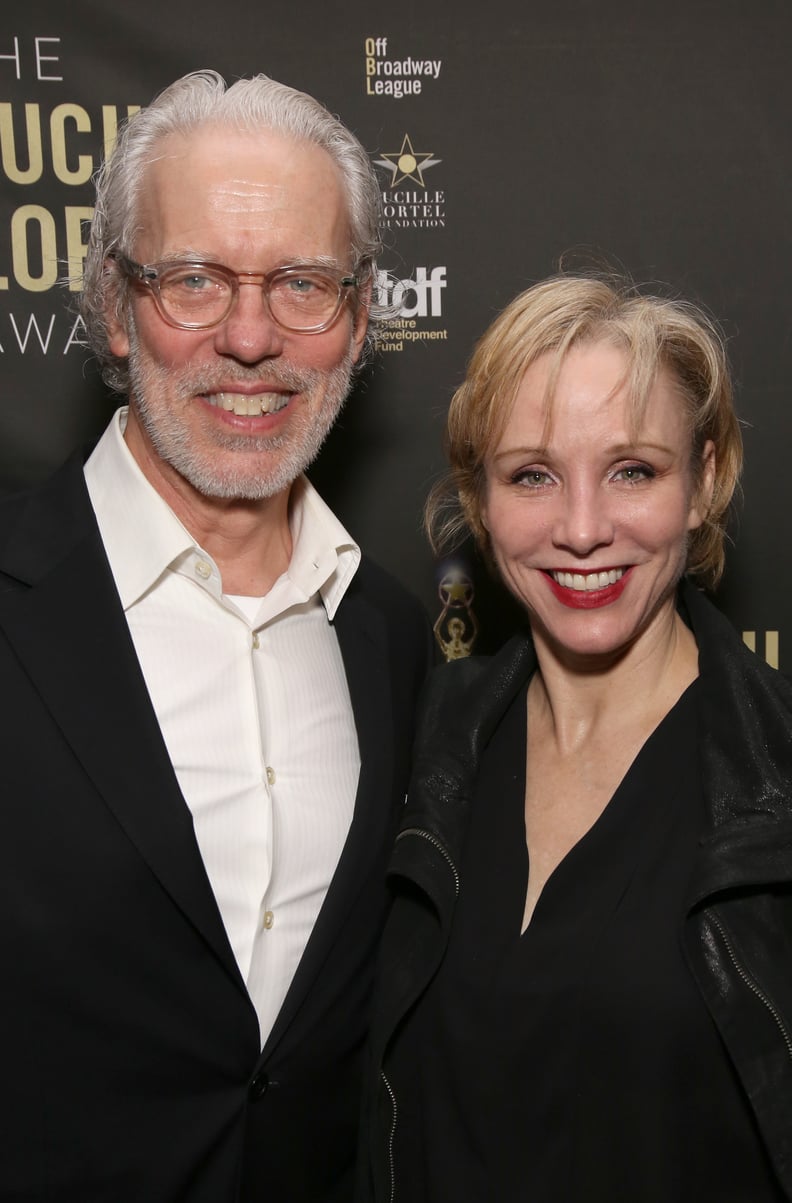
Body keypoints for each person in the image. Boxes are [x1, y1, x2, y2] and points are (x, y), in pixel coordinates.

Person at [0, 70, 431, 1202]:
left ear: (359, 310)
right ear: (109, 298)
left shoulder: (396, 642)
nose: (250, 338)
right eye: (193, 280)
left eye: (302, 283)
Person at [359, 273, 792, 1202]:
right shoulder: (426, 739)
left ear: (705, 480)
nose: (583, 529)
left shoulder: (777, 774)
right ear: (483, 500)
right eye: (533, 475)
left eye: (633, 469)